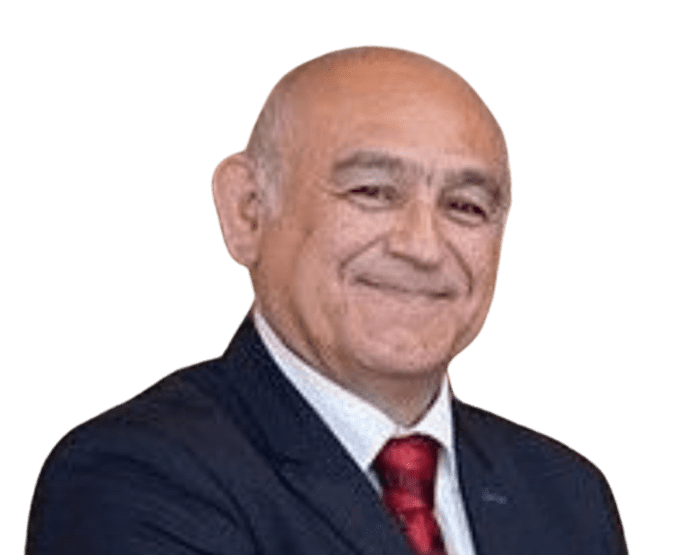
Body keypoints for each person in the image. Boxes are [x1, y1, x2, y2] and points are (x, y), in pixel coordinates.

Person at [25, 46, 628, 555]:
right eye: (372, 191)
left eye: (466, 206)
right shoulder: (134, 476)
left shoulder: (567, 495)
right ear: (248, 213)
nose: (423, 246)